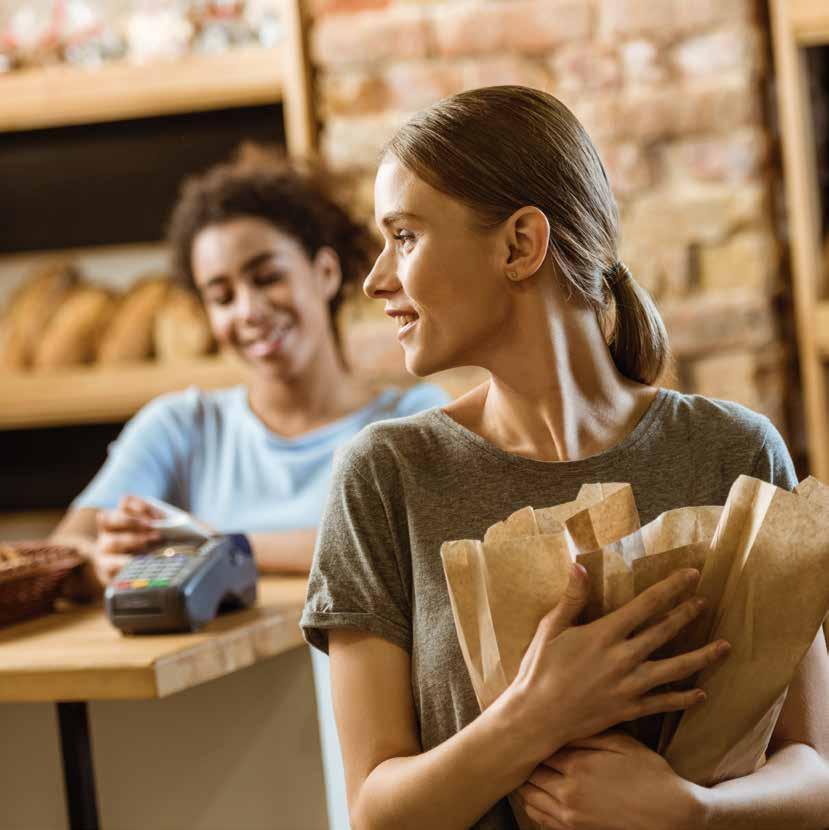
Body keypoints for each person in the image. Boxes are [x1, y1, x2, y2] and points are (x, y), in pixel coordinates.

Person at [301, 86, 829, 830]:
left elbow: (814, 772)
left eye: (406, 236)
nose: (376, 279)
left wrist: (692, 811)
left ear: (519, 244)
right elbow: (375, 813)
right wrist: (534, 715)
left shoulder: (733, 451)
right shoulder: (386, 474)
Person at [53, 147, 450, 829]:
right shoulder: (182, 425)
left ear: (325, 271)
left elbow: (394, 548)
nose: (248, 311)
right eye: (221, 295)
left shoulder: (414, 420)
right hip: (211, 762)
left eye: (266, 277)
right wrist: (108, 564)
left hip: (382, 760)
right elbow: (69, 549)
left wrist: (209, 545)